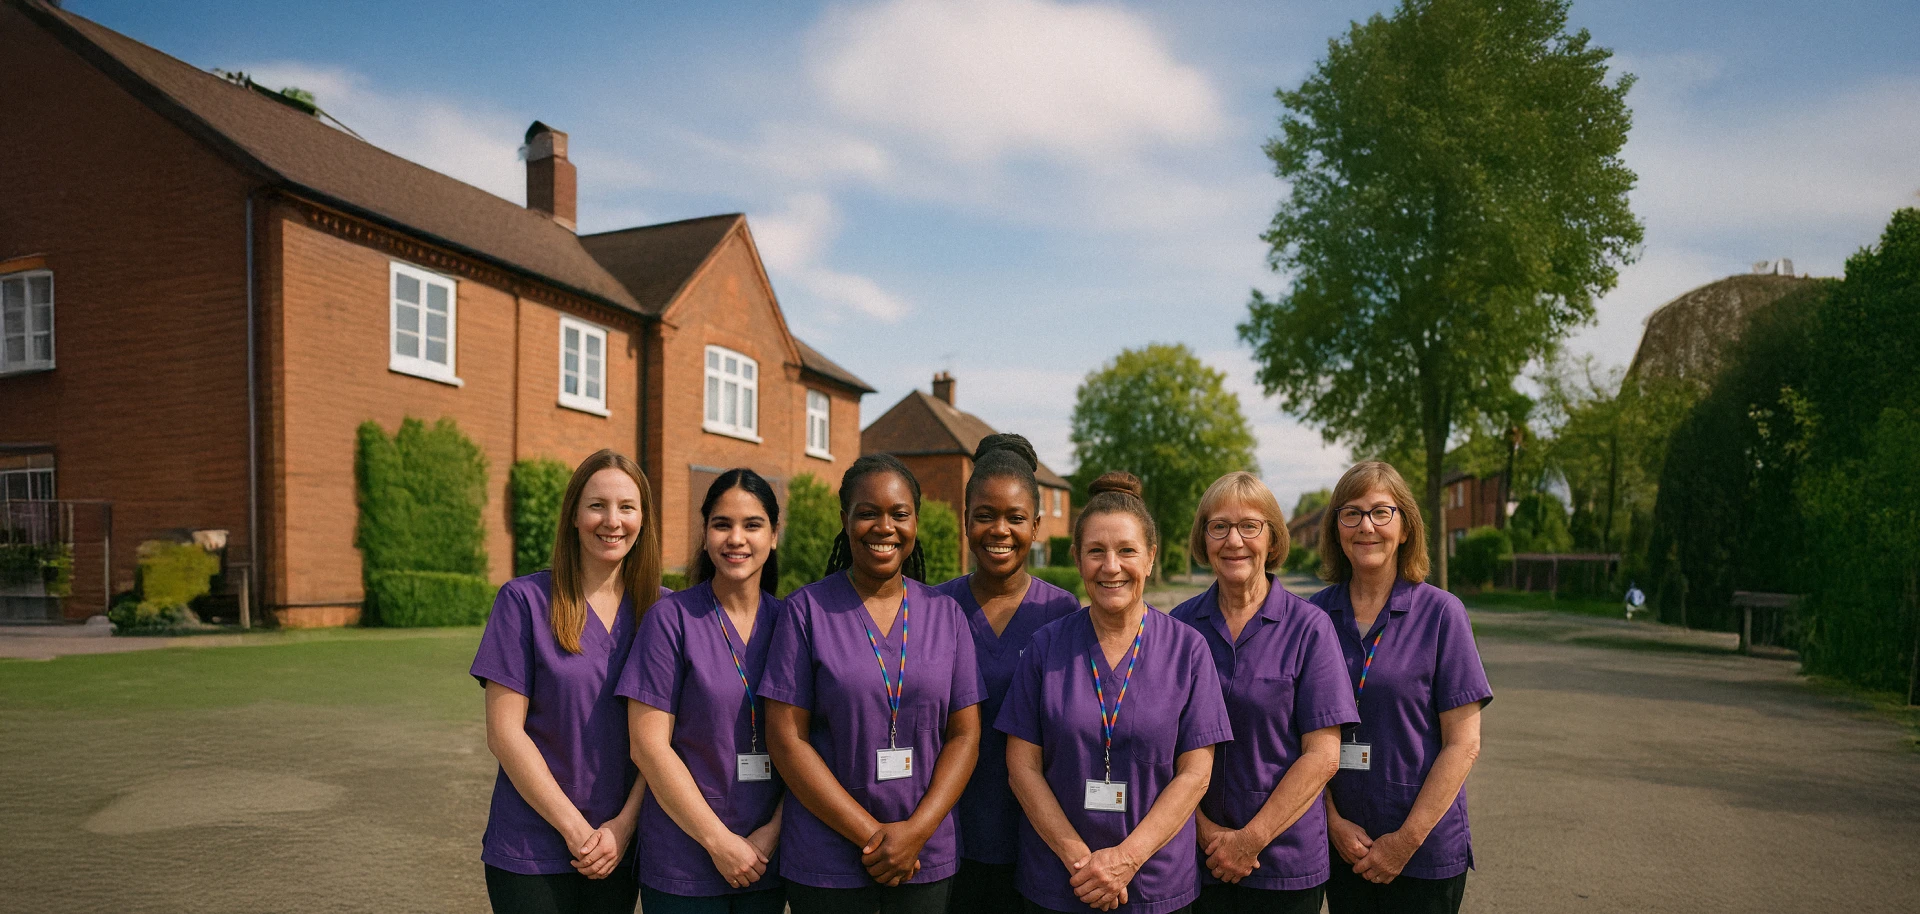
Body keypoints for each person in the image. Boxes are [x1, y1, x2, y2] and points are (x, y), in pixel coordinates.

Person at [759, 454, 984, 914]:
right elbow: (786, 740)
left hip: (924, 854)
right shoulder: (806, 612)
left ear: (915, 521)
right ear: (845, 520)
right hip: (828, 857)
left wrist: (916, 832)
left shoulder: (947, 615)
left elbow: (965, 736)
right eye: (867, 513)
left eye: (899, 514)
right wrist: (873, 836)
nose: (884, 527)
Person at [999, 471, 1233, 914]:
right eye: (1096, 551)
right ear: (1077, 558)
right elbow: (1022, 768)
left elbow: (1196, 774)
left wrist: (1126, 860)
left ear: (1150, 558)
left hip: (1154, 884)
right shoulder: (1046, 647)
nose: (1111, 566)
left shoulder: (1187, 649)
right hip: (1060, 881)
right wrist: (1080, 861)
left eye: (1126, 550)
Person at [470, 448, 664, 914]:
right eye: (597, 505)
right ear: (574, 516)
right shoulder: (523, 601)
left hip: (619, 850)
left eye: (627, 507)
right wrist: (576, 830)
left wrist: (624, 827)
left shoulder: (662, 613)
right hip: (531, 849)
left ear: (643, 520)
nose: (612, 521)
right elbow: (504, 734)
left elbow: (663, 742)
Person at [1170, 472, 1357, 914]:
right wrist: (1203, 831)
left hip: (1284, 865)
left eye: (1249, 526)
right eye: (1219, 526)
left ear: (1272, 539)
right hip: (1195, 858)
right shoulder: (1177, 627)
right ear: (1203, 539)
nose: (1234, 540)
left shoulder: (1310, 628)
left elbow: (1323, 756)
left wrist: (1249, 841)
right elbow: (1160, 744)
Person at [1311, 462, 1492, 914]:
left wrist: (1404, 842)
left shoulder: (1443, 614)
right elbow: (1298, 737)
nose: (1366, 526)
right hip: (1342, 846)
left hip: (1423, 852)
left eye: (1381, 512)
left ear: (1406, 527)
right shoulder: (1314, 618)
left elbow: (1463, 744)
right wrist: (1332, 821)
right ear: (1336, 529)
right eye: (1351, 513)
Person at [621, 469, 788, 913]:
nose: (736, 538)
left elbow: (811, 743)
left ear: (774, 535)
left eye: (752, 525)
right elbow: (648, 746)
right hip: (684, 863)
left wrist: (771, 834)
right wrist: (719, 842)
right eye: (722, 524)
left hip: (767, 860)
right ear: (705, 533)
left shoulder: (793, 624)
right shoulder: (670, 620)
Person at [935, 434, 1082, 913]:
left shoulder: (1062, 612)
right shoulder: (935, 608)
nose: (1000, 530)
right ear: (965, 520)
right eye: (985, 515)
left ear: (1036, 526)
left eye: (1016, 518)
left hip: (1039, 836)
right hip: (947, 833)